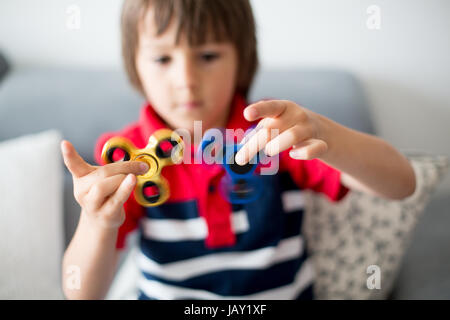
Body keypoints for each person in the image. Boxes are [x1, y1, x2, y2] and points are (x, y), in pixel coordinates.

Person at [61, 0, 416, 300]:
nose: (186, 79)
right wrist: (96, 222)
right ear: (135, 65)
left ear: (241, 60)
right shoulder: (129, 157)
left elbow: (402, 184)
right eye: (162, 59)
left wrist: (323, 132)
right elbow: (82, 293)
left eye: (208, 55)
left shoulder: (276, 133)